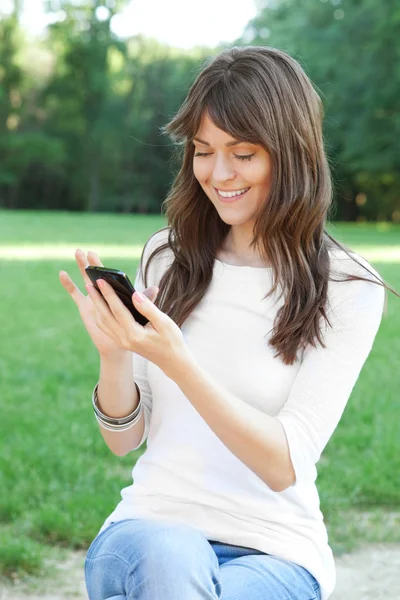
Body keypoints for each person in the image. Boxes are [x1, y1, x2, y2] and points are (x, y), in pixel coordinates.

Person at [59, 46, 397, 600]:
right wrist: (115, 353)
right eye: (203, 151)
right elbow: (124, 441)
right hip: (149, 529)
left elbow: (285, 463)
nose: (218, 174)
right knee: (174, 556)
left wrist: (178, 362)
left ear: (291, 154)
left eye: (243, 154)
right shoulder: (168, 257)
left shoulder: (348, 286)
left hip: (277, 552)